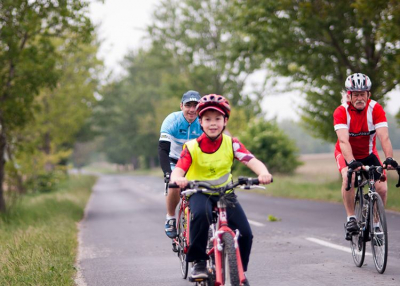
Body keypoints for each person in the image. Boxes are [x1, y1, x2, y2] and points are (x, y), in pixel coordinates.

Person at [169, 94, 273, 283]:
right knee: (200, 216)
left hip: (225, 193)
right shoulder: (192, 147)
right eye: (207, 119)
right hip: (199, 193)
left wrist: (263, 174)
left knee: (246, 233)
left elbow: (250, 159)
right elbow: (179, 170)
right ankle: (199, 261)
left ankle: (239, 272)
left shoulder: (231, 143)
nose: (213, 123)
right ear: (200, 122)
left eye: (217, 118)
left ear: (225, 121)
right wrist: (178, 180)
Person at [333, 73, 398, 240]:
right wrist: (352, 162)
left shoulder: (375, 109)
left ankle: (376, 226)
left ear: (368, 94)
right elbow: (343, 140)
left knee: (382, 188)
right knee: (349, 178)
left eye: (363, 94)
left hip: (368, 154)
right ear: (349, 96)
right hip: (346, 153)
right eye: (356, 94)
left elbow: (384, 137)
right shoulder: (341, 112)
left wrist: (389, 158)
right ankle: (351, 218)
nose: (359, 97)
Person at [158, 90, 203, 238]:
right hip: (174, 162)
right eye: (188, 105)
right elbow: (163, 149)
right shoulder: (172, 120)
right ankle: (170, 218)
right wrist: (167, 173)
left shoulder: (204, 121)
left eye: (195, 105)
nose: (191, 109)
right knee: (174, 184)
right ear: (181, 106)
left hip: (195, 163)